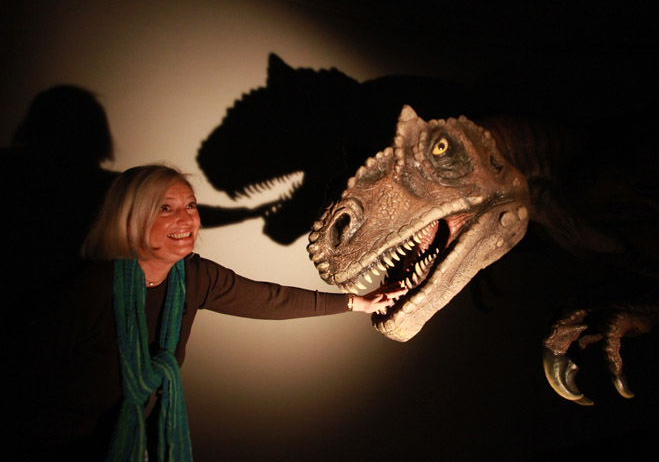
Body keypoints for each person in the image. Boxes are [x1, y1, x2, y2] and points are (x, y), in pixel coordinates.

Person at [17, 164, 405, 461]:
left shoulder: (194, 277)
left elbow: (270, 300)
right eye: (166, 208)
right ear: (133, 218)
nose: (186, 220)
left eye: (190, 206)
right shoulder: (94, 289)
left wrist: (357, 302)